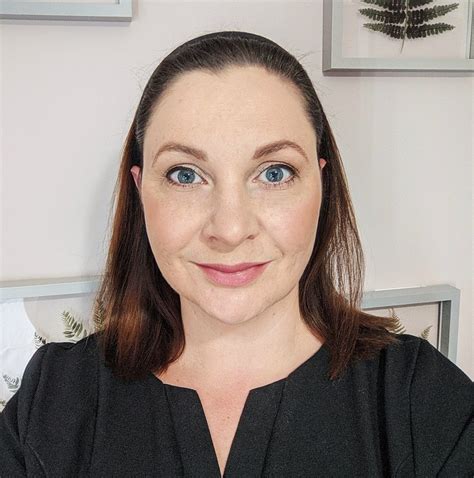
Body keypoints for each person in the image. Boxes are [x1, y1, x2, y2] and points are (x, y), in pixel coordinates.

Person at [1, 30, 472, 477]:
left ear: (321, 186)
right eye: (185, 175)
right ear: (141, 190)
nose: (229, 230)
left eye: (274, 173)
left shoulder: (419, 399)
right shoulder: (54, 398)